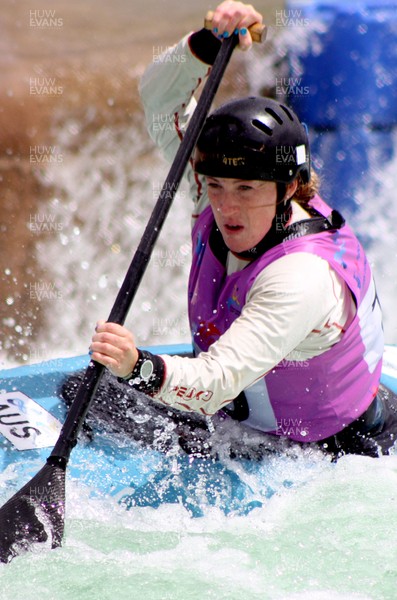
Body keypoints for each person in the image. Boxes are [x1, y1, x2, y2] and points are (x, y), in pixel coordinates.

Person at [90, 1, 395, 458]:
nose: (226, 205)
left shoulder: (302, 278)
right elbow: (160, 101)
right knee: (87, 392)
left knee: (124, 385)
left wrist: (138, 366)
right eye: (215, 184)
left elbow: (213, 383)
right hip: (245, 416)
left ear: (290, 186)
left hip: (329, 454)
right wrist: (207, 43)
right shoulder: (212, 195)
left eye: (246, 189)